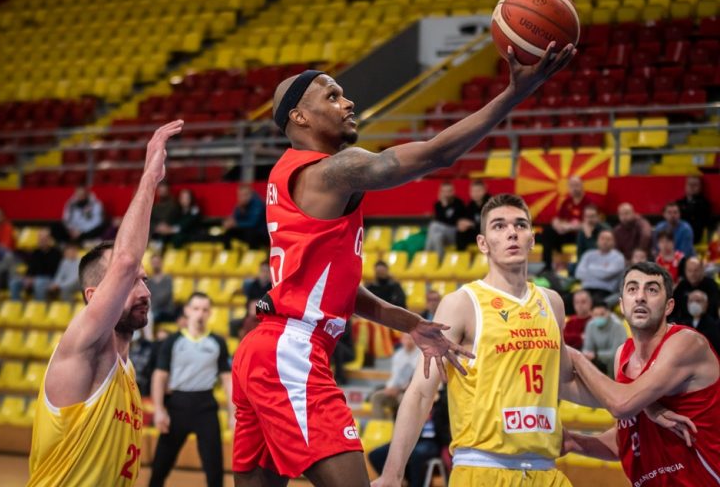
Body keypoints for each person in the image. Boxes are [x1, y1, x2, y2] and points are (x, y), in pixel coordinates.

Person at [232, 43, 576, 487]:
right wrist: (514, 93)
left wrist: (410, 323)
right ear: (299, 117)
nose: (348, 102)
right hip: (291, 352)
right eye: (332, 96)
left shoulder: (288, 174)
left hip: (264, 349)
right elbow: (436, 155)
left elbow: (337, 289)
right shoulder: (332, 171)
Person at [373, 194, 581, 487]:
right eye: (499, 226)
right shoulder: (461, 303)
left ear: (532, 239)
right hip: (482, 468)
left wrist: (629, 401)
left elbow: (564, 381)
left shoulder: (552, 303)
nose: (512, 232)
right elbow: (420, 392)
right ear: (483, 243)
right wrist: (392, 475)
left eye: (520, 225)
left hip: (546, 470)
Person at [26, 120, 183, 486]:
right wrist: (150, 178)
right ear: (94, 297)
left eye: (143, 280)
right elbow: (126, 259)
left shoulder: (127, 371)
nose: (144, 291)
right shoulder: (84, 345)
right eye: (130, 282)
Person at [563, 262, 720, 486]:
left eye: (652, 289)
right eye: (632, 289)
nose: (640, 297)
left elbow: (621, 404)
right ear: (622, 304)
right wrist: (572, 442)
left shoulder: (686, 343)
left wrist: (575, 356)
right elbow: (629, 440)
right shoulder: (622, 355)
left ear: (669, 306)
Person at [150, 292, 233, 487]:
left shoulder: (217, 343)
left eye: (205, 309)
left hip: (206, 407)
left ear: (210, 313)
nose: (200, 314)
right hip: (177, 406)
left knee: (215, 470)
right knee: (160, 467)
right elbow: (159, 376)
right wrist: (159, 410)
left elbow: (227, 380)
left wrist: (233, 414)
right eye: (196, 309)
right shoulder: (173, 341)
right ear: (187, 311)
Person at [368, 387, 450, 487]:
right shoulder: (411, 400)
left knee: (417, 453)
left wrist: (435, 405)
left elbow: (444, 426)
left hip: (432, 441)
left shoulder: (442, 401)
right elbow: (399, 423)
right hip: (410, 439)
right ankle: (398, 481)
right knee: (376, 454)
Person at [541, 175, 593, 271]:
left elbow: (590, 224)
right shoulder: (567, 202)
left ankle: (577, 267)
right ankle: (547, 266)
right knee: (548, 231)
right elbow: (558, 219)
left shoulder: (589, 202)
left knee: (583, 233)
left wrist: (570, 227)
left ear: (582, 186)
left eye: (577, 185)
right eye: (572, 186)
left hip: (580, 234)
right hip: (566, 233)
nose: (574, 188)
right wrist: (557, 225)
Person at [370, 333, 420, 418]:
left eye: (411, 338)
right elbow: (394, 375)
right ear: (402, 340)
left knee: (404, 400)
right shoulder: (398, 355)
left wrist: (400, 389)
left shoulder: (421, 355)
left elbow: (417, 379)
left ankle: (404, 425)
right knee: (376, 397)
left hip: (411, 391)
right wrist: (390, 387)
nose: (409, 341)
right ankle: (380, 424)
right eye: (406, 338)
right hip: (396, 389)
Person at [573, 229, 626, 303]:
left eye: (608, 239)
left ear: (614, 242)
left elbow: (606, 275)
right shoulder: (588, 255)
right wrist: (602, 270)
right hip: (586, 289)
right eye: (602, 239)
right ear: (597, 241)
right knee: (567, 300)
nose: (605, 242)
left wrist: (589, 268)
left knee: (593, 302)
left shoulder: (618, 257)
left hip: (605, 291)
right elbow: (579, 274)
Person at [9, 229, 62, 301]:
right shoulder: (35, 252)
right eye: (40, 239)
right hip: (34, 278)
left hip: (49, 278)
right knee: (14, 282)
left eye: (44, 239)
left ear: (49, 240)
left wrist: (34, 279)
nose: (42, 241)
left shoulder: (56, 253)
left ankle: (39, 305)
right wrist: (27, 277)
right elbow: (30, 268)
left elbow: (54, 271)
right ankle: (16, 305)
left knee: (38, 282)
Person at [582, 301, 628, 378]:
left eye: (602, 314)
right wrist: (589, 355)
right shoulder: (590, 325)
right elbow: (587, 349)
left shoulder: (618, 327)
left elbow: (616, 354)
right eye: (596, 315)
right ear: (591, 314)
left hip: (615, 363)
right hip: (598, 361)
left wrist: (596, 355)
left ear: (608, 312)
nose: (599, 317)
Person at [425, 181, 466, 257]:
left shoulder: (459, 203)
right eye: (444, 191)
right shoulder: (438, 204)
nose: (447, 194)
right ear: (441, 192)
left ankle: (426, 254)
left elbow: (455, 221)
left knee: (433, 225)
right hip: (443, 235)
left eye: (449, 191)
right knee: (437, 236)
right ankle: (441, 260)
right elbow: (439, 220)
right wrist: (443, 205)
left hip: (455, 234)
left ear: (453, 191)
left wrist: (445, 206)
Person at [672, 256, 719, 321]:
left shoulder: (711, 285)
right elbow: (674, 308)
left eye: (696, 270)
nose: (693, 274)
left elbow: (714, 308)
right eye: (689, 270)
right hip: (684, 322)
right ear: (685, 271)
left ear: (702, 270)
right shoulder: (681, 286)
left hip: (708, 322)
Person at [221, 184, 267, 250]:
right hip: (248, 231)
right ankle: (228, 253)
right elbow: (234, 218)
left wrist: (235, 224)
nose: (243, 197)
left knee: (251, 234)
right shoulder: (240, 205)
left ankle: (253, 252)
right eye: (240, 195)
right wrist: (229, 223)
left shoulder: (258, 203)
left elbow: (253, 223)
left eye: (245, 195)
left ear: (251, 194)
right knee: (228, 232)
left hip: (261, 234)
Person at [673, 290, 720, 354]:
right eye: (691, 301)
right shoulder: (683, 323)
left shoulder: (713, 325)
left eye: (698, 301)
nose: (694, 304)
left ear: (706, 304)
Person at [676, 175, 712, 244]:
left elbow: (703, 223)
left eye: (695, 185)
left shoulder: (704, 204)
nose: (692, 187)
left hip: (696, 237)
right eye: (690, 184)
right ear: (685, 186)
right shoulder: (678, 203)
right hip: (679, 236)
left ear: (700, 187)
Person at [457, 180, 491, 249]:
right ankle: (461, 254)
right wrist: (463, 224)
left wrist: (472, 224)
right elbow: (467, 220)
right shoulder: (470, 205)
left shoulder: (491, 204)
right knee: (461, 230)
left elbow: (489, 224)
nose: (476, 194)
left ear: (484, 191)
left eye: (478, 191)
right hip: (476, 231)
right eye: (473, 191)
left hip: (487, 232)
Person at [147, 253, 174, 324]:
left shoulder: (167, 279)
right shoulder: (149, 280)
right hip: (152, 309)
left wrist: (152, 306)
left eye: (157, 262)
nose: (155, 265)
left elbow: (165, 296)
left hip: (165, 310)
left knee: (149, 316)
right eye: (153, 263)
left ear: (161, 263)